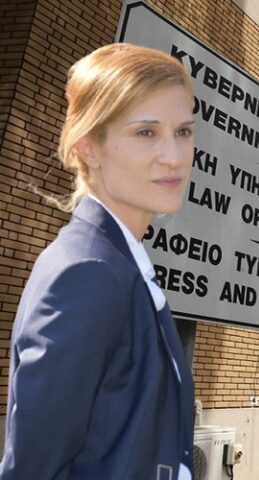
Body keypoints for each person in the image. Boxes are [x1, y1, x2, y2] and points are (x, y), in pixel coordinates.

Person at [0, 43, 197, 479]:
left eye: (183, 131)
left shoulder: (121, 263)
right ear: (89, 147)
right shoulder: (89, 273)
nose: (175, 157)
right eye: (146, 132)